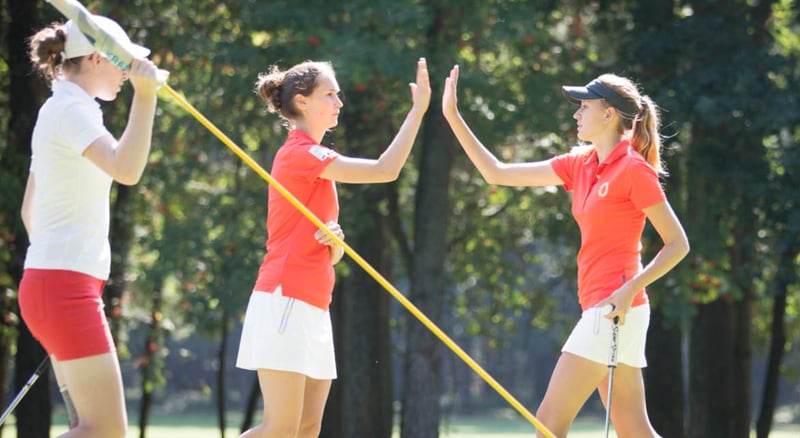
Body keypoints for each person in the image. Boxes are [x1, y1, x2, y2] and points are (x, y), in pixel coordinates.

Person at [442, 66, 689, 438]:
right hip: (608, 307)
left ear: (609, 114)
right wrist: (453, 117)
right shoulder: (581, 164)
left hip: (613, 309)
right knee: (634, 430)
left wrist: (627, 291)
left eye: (584, 106)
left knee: (548, 425)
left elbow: (677, 244)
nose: (576, 113)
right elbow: (497, 172)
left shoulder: (634, 170)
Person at [235, 58, 430, 437]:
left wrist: (335, 243)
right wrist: (417, 111)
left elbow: (330, 254)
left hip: (313, 303)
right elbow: (384, 170)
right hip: (285, 297)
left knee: (308, 429)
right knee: (281, 429)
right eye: (330, 93)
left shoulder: (317, 162)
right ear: (303, 101)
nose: (339, 101)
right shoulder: (301, 154)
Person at [19, 16, 162, 437]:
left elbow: (31, 210)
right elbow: (126, 168)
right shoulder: (70, 110)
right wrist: (146, 97)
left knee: (90, 428)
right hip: (64, 290)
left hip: (58, 286)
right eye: (123, 64)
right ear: (99, 58)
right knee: (104, 431)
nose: (125, 74)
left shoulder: (63, 109)